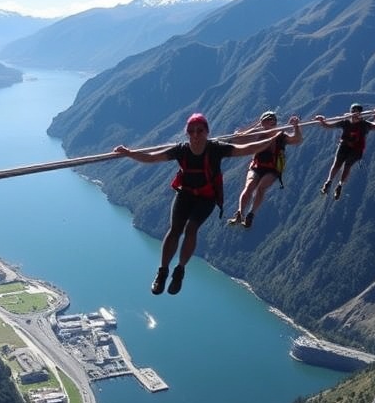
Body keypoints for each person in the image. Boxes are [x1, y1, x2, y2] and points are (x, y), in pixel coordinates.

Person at [114, 112, 282, 295]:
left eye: (199, 130)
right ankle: (162, 273)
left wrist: (271, 138)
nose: (195, 134)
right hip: (185, 194)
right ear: (187, 133)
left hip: (207, 198)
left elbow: (246, 149)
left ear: (207, 132)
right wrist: (129, 153)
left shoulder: (215, 148)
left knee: (191, 229)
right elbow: (153, 157)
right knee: (175, 230)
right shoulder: (181, 150)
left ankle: (179, 270)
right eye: (191, 131)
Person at [227, 111, 303, 229]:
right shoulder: (259, 134)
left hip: (272, 169)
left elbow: (297, 140)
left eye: (272, 121)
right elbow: (239, 140)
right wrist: (251, 129)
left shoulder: (281, 136)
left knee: (261, 187)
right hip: (257, 166)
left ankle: (251, 214)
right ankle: (240, 213)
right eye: (267, 121)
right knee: (249, 187)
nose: (270, 123)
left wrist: (296, 127)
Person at [315, 103, 375, 200]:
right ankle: (330, 182)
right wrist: (322, 121)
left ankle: (339, 184)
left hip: (355, 149)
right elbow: (328, 126)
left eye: (356, 113)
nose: (354, 115)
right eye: (353, 112)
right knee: (338, 164)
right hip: (346, 147)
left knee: (346, 165)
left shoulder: (363, 124)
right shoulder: (346, 122)